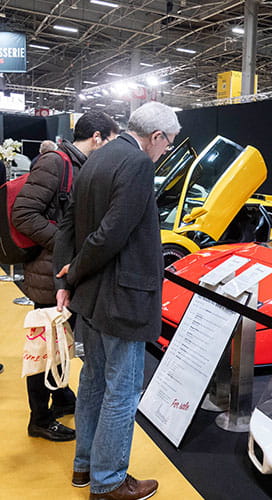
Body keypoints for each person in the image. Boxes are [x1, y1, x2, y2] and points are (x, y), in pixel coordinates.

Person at [54, 101, 180, 500]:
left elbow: (69, 221)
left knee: (92, 383)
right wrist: (71, 273)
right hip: (121, 298)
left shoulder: (98, 155)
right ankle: (108, 482)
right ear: (156, 136)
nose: (165, 152)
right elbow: (111, 234)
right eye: (169, 144)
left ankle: (85, 466)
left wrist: (68, 275)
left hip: (92, 297)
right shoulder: (138, 163)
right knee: (121, 392)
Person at [13, 111, 119, 442]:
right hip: (47, 272)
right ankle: (39, 419)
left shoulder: (80, 167)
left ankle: (58, 397)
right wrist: (64, 243)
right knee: (46, 346)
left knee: (62, 341)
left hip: (63, 271)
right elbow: (23, 214)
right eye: (112, 140)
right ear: (98, 137)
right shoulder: (55, 163)